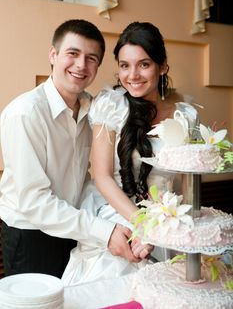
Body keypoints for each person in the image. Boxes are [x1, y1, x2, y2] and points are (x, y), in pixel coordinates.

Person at [0, 19, 142, 279]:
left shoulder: (92, 109)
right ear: (53, 55)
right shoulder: (25, 113)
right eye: (73, 54)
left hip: (75, 230)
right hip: (32, 237)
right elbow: (34, 202)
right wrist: (104, 231)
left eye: (91, 58)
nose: (81, 65)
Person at [62, 21, 199, 286]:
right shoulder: (111, 106)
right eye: (125, 65)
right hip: (115, 210)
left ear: (162, 67)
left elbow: (186, 182)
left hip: (167, 218)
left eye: (144, 64)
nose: (132, 75)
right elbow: (102, 177)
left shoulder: (186, 116)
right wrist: (145, 225)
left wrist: (171, 227)